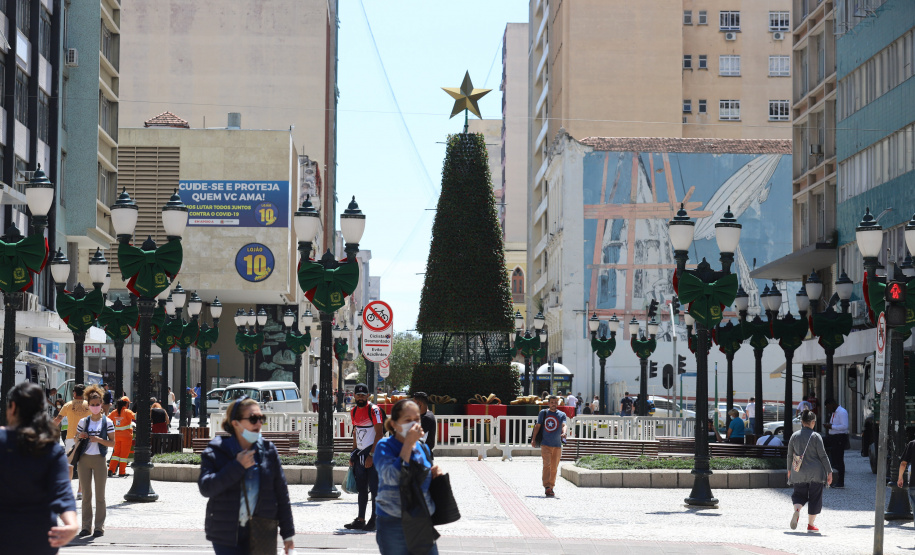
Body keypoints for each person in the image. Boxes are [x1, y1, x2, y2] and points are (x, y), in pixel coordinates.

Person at [199, 396, 295, 554]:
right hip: (226, 534)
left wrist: (288, 534)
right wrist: (237, 466)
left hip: (261, 531)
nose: (259, 423)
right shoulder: (217, 451)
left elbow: (281, 494)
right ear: (235, 423)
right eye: (253, 419)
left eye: (261, 418)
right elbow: (206, 487)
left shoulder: (268, 450)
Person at [0, 382, 79, 554]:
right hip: (40, 538)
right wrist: (71, 524)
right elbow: (62, 490)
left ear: (13, 408)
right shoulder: (51, 448)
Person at [373, 399, 442, 555]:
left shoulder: (422, 447)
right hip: (393, 521)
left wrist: (434, 474)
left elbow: (421, 480)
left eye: (416, 419)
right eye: (407, 420)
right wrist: (408, 444)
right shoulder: (385, 446)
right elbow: (391, 477)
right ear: (394, 424)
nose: (413, 423)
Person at [75, 384, 116, 537]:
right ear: (88, 405)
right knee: (86, 495)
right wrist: (80, 436)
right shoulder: (83, 421)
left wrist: (98, 439)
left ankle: (99, 527)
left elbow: (112, 443)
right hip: (84, 459)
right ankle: (86, 527)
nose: (95, 407)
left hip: (99, 459)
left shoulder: (108, 422)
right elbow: (75, 438)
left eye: (97, 404)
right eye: (92, 405)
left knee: (100, 496)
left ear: (101, 404)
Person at [345, 383, 384, 531]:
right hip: (360, 455)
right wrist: (353, 454)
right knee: (362, 489)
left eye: (363, 395)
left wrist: (371, 456)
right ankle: (361, 519)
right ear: (354, 396)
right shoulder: (354, 411)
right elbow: (356, 432)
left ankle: (375, 520)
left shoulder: (374, 410)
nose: (360, 397)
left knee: (374, 489)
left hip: (373, 455)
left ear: (368, 396)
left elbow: (379, 434)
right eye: (358, 395)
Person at [787, 410, 832, 532]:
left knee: (798, 495)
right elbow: (823, 456)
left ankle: (797, 510)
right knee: (815, 497)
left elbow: (790, 455)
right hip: (816, 473)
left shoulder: (794, 436)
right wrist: (829, 471)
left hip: (798, 472)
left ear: (802, 422)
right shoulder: (816, 436)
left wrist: (789, 470)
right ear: (813, 422)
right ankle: (811, 525)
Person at [530, 395, 568, 497]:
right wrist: (533, 439)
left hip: (557, 445)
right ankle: (547, 486)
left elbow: (564, 425)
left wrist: (564, 433)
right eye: (552, 402)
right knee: (547, 465)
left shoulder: (562, 414)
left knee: (554, 467)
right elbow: (538, 426)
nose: (553, 404)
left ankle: (551, 487)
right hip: (545, 444)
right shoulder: (543, 413)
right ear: (548, 403)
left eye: (555, 402)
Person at [107, 397, 136, 477]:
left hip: (116, 436)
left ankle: (111, 469)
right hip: (126, 436)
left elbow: (107, 420)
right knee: (124, 455)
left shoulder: (114, 412)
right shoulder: (127, 411)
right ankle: (122, 472)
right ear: (126, 404)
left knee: (116, 454)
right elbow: (135, 417)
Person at [823, 399, 848, 488]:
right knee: (834, 458)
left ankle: (840, 481)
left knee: (839, 459)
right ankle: (833, 479)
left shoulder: (842, 412)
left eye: (829, 407)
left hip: (839, 438)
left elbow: (845, 426)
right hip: (833, 437)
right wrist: (829, 425)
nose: (829, 409)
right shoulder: (834, 413)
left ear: (832, 404)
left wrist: (831, 426)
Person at [412, 391, 437, 457]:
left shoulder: (426, 418)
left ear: (419, 403)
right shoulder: (426, 415)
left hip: (423, 456)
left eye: (414, 403)